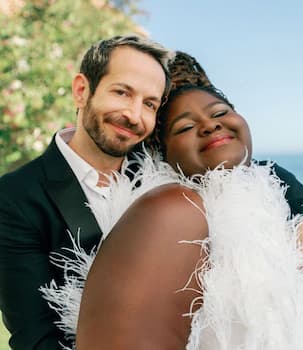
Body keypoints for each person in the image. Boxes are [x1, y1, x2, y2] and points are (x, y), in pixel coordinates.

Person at [43, 53, 303, 349]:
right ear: (160, 154)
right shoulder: (166, 211)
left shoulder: (272, 182)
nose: (210, 125)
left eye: (220, 113)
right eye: (185, 127)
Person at [0, 34, 173, 350]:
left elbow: (231, 162)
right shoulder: (14, 197)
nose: (135, 116)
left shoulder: (162, 174)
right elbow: (35, 339)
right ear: (82, 91)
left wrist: (298, 204)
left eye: (149, 104)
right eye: (122, 92)